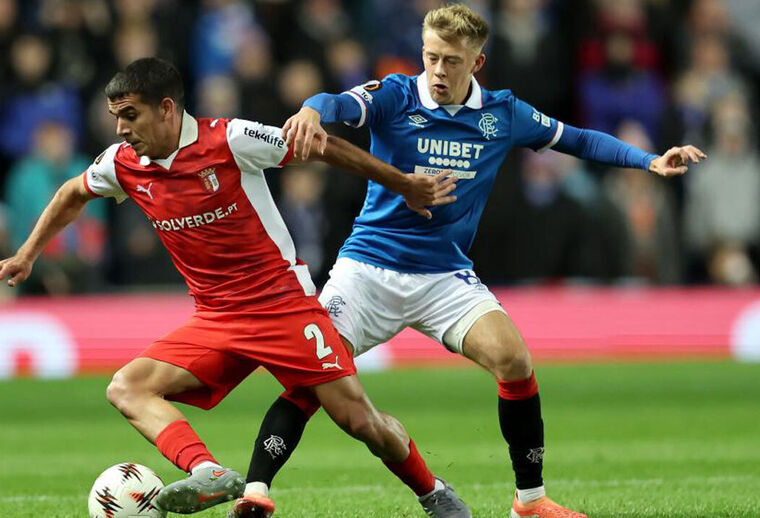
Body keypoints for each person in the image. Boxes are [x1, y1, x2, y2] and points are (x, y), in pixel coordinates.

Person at [232, 5, 707, 518]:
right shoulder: (395, 95)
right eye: (431, 57)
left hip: (443, 275)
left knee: (515, 360)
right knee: (313, 375)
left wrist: (649, 160)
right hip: (368, 269)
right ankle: (256, 490)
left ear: (476, 63)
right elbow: (336, 103)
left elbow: (579, 139)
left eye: (451, 61)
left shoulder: (501, 114)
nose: (438, 70)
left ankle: (530, 501)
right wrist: (309, 110)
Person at [0, 57, 468, 517]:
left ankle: (432, 490)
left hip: (283, 308)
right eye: (115, 116)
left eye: (130, 115)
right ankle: (206, 471)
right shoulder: (123, 163)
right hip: (216, 319)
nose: (120, 128)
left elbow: (321, 147)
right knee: (126, 387)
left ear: (167, 109)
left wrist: (401, 183)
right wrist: (27, 253)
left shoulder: (230, 140)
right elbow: (73, 192)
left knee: (362, 423)